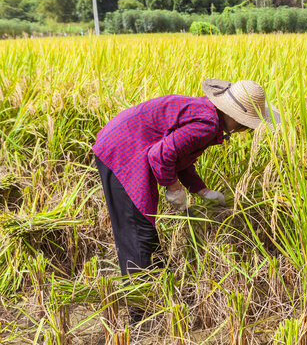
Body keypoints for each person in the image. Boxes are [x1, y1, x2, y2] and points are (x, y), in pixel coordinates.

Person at [92, 79, 280, 323]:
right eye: (247, 126)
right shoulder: (208, 124)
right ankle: (140, 319)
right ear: (235, 118)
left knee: (143, 231)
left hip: (123, 144)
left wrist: (201, 190)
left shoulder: (208, 114)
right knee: (137, 233)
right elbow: (161, 155)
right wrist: (173, 188)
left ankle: (157, 294)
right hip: (123, 151)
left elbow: (179, 154)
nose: (246, 131)